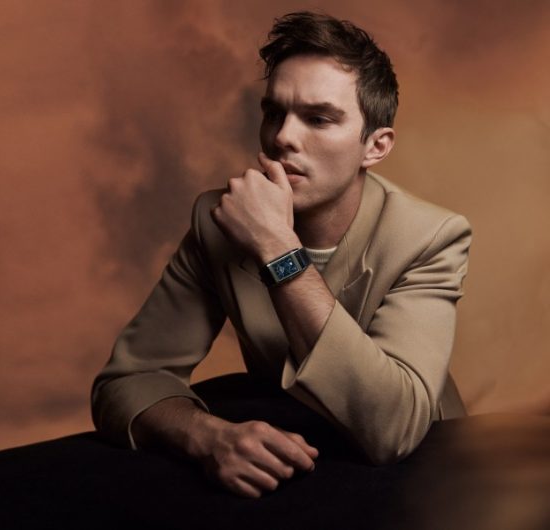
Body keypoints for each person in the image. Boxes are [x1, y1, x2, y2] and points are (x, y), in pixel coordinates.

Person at [91, 11, 471, 499]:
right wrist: (207, 436)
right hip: (297, 458)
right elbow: (127, 380)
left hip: (427, 471)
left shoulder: (431, 236)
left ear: (375, 147)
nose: (283, 137)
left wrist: (277, 247)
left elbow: (390, 431)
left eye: (318, 118)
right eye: (275, 113)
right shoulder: (217, 219)